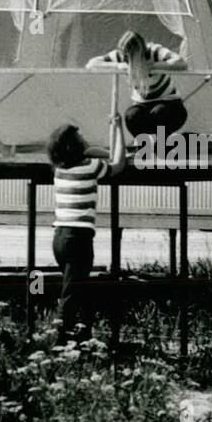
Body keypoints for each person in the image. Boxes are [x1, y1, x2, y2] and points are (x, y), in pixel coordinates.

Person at [48, 116, 126, 340]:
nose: (84, 140)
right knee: (72, 291)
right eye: (80, 138)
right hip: (79, 237)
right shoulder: (90, 166)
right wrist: (118, 129)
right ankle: (60, 335)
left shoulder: (58, 170)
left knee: (76, 286)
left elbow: (94, 152)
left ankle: (81, 330)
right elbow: (118, 164)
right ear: (75, 145)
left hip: (60, 237)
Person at [85, 30, 189, 140]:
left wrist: (153, 66)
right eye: (124, 56)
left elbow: (181, 62)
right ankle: (143, 147)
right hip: (143, 104)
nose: (126, 59)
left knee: (159, 112)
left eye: (129, 57)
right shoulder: (121, 56)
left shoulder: (154, 51)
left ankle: (163, 145)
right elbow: (91, 64)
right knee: (132, 116)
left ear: (139, 53)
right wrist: (118, 65)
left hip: (169, 103)